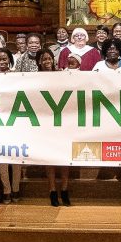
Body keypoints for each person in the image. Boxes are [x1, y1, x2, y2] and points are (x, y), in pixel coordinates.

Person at [37, 48, 71, 206]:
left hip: (63, 120)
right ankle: (52, 191)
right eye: (44, 59)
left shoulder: (62, 76)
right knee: (50, 158)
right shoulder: (32, 78)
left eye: (49, 58)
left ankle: (64, 189)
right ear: (39, 62)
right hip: (44, 122)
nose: (47, 61)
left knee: (65, 157)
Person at [0, 47, 21, 203]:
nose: (1, 61)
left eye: (4, 59)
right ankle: (6, 191)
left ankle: (16, 189)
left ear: (10, 59)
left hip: (16, 121)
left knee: (16, 157)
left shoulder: (19, 76)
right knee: (1, 158)